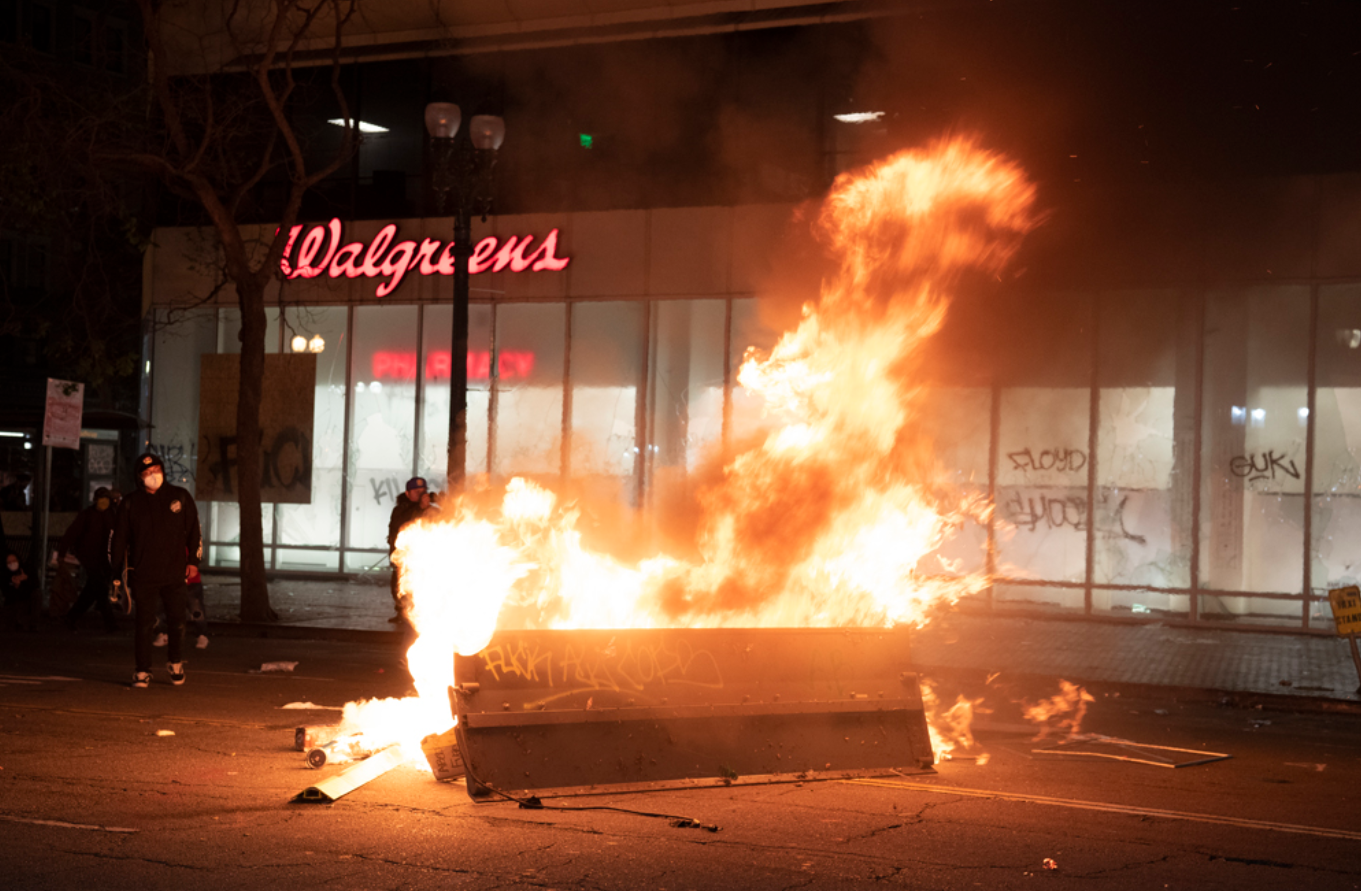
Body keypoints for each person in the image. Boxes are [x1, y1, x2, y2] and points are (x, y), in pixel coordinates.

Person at [110, 453, 202, 688]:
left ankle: (175, 662)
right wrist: (116, 573)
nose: (153, 475)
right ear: (139, 477)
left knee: (177, 621)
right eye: (147, 473)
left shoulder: (180, 497)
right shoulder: (130, 503)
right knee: (144, 624)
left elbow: (194, 531)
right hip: (143, 574)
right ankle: (142, 670)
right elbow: (119, 539)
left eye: (157, 470)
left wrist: (193, 561)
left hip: (175, 573)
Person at [59, 487, 119, 633]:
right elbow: (72, 533)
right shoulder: (87, 515)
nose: (103, 502)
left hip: (105, 558)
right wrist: (62, 552)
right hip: (90, 557)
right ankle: (110, 623)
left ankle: (71, 618)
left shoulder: (111, 514)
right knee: (100, 589)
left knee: (92, 590)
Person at [386, 476, 437, 623]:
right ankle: (402, 614)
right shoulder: (400, 510)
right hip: (404, 558)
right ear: (407, 494)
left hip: (424, 557)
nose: (421, 494)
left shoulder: (431, 510)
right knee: (400, 586)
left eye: (423, 491)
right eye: (417, 492)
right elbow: (401, 523)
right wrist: (420, 508)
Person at [3, 552, 37, 631]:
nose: (12, 564)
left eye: (14, 561)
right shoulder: (5, 575)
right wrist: (16, 586)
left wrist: (26, 579)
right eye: (9, 562)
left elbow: (34, 586)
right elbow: (7, 593)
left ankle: (34, 623)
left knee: (36, 594)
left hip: (26, 601)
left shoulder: (26, 570)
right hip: (13, 604)